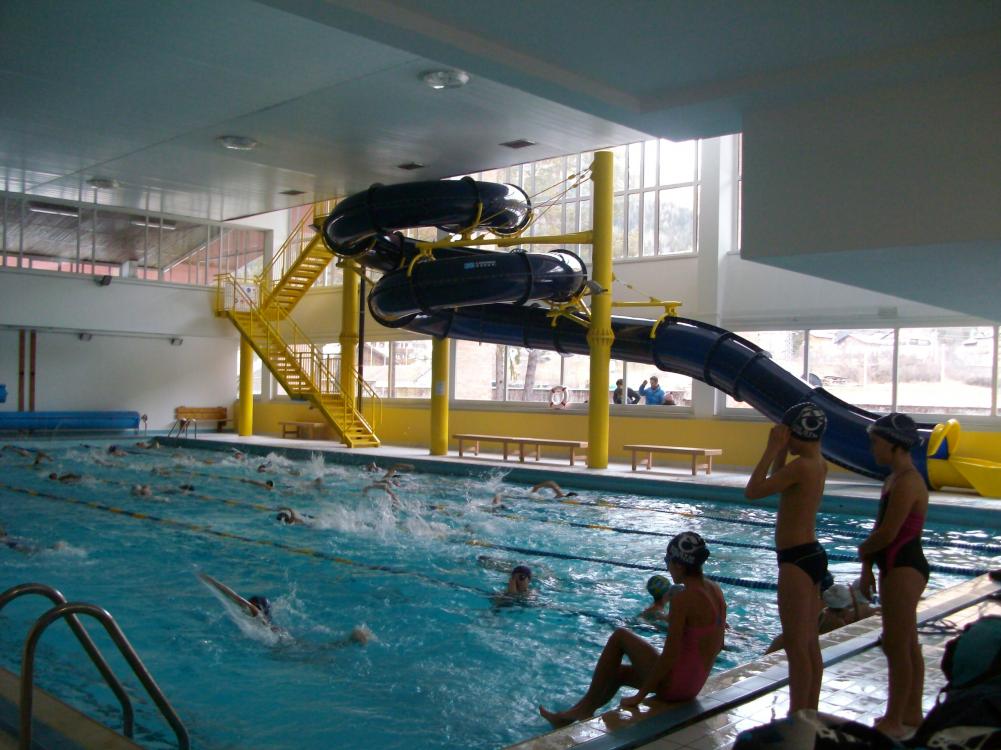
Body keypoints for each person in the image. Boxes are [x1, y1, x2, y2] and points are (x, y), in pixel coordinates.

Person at [539, 532, 725, 727]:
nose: (667, 568)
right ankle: (577, 713)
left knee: (620, 636)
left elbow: (670, 654)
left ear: (678, 564)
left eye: (667, 561)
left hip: (676, 686)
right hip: (693, 685)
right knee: (618, 674)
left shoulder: (683, 597)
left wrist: (640, 696)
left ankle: (582, 710)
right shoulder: (715, 590)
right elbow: (719, 644)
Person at [744, 402, 829, 713]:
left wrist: (771, 449)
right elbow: (778, 480)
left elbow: (753, 490)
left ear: (795, 433)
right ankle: (809, 711)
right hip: (812, 554)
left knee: (795, 646)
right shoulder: (817, 463)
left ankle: (797, 715)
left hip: (795, 560)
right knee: (809, 642)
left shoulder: (801, 467)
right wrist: (782, 451)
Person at [858, 413, 929, 738]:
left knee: (896, 644)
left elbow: (888, 533)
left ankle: (894, 719)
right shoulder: (893, 479)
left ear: (894, 444)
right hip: (892, 565)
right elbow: (880, 529)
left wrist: (862, 549)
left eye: (876, 442)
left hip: (905, 566)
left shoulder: (909, 482)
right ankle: (912, 712)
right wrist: (867, 568)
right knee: (906, 642)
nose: (872, 448)